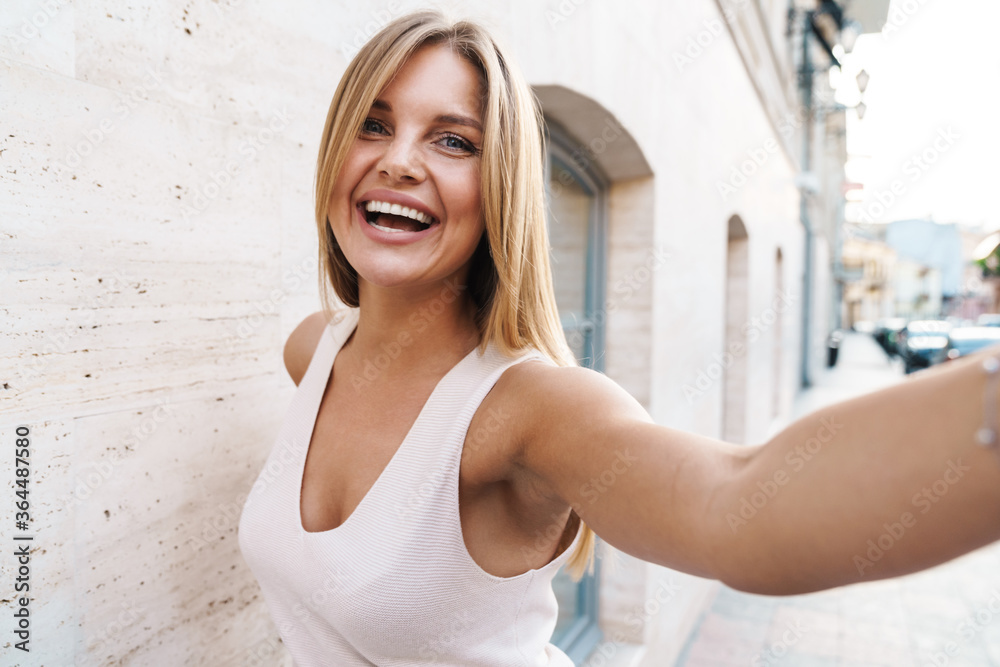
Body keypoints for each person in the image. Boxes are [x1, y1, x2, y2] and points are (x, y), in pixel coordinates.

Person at [237, 9, 1000, 666]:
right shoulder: (312, 349)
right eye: (373, 124)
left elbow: (738, 503)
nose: (398, 160)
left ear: (500, 185)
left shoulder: (531, 407)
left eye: (453, 141)